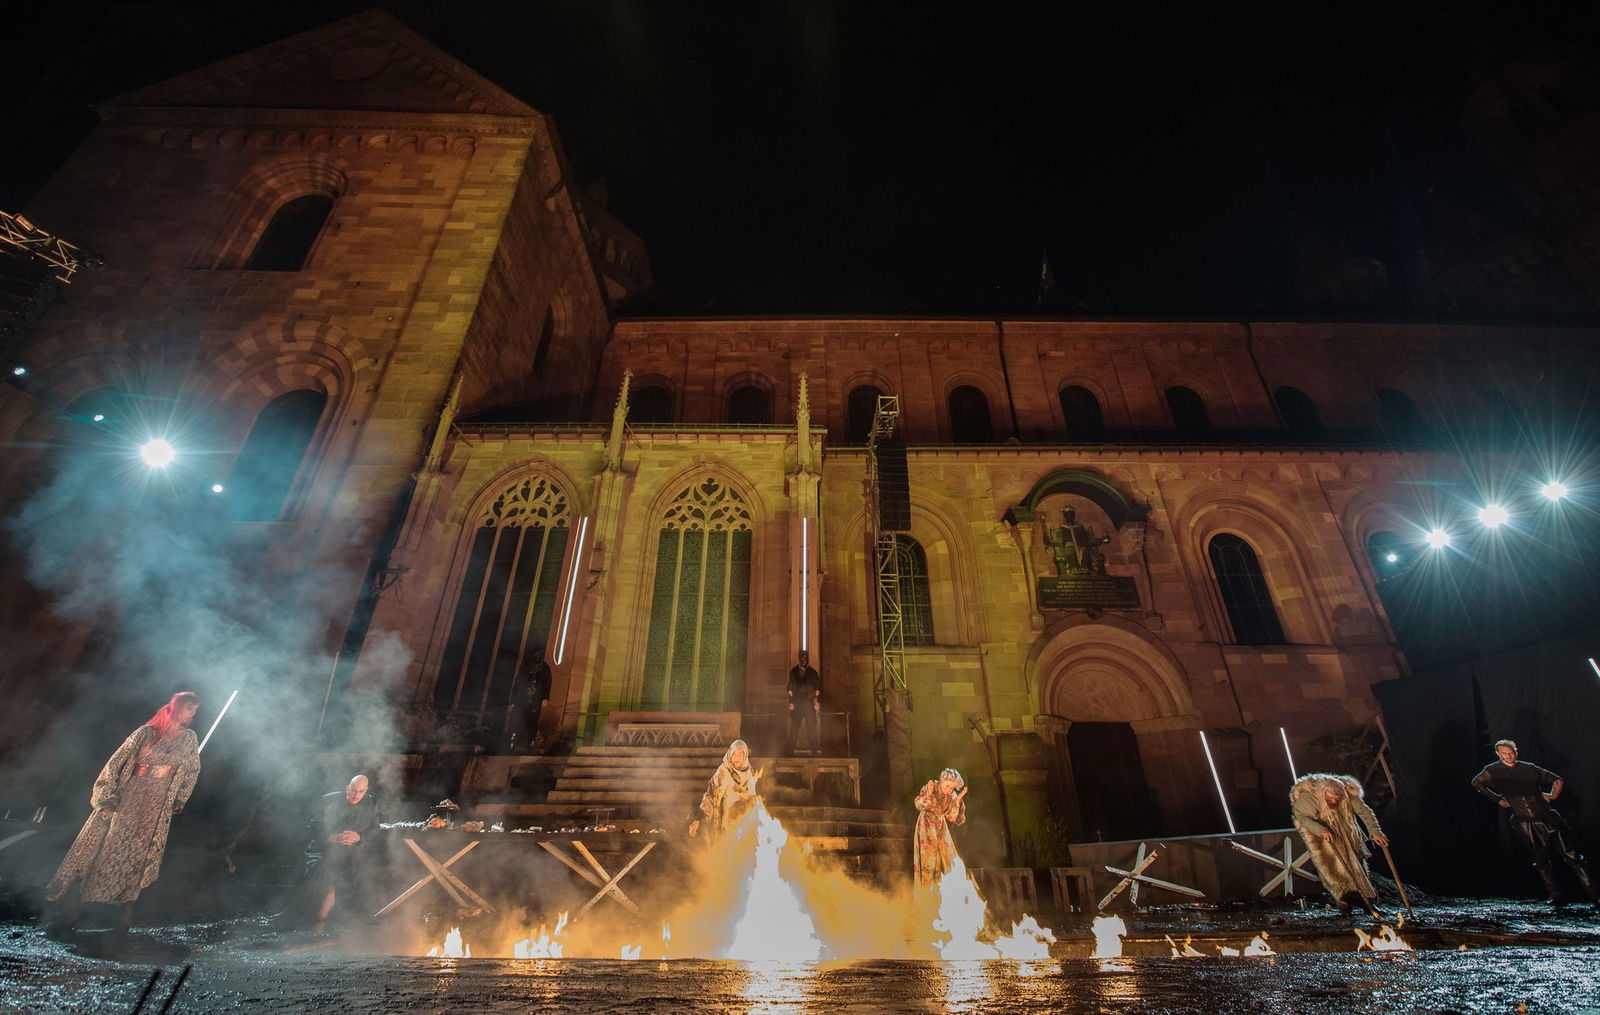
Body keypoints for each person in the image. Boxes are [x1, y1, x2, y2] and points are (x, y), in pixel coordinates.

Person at [46, 692, 202, 928]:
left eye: (195, 709)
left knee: (141, 854)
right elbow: (116, 763)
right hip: (129, 798)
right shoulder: (145, 733)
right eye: (190, 708)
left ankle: (124, 917)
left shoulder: (190, 738)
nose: (193, 713)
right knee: (107, 849)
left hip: (157, 805)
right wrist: (107, 796)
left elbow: (192, 770)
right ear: (177, 708)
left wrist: (180, 797)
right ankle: (78, 910)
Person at [1472, 739, 1598, 909]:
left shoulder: (1529, 768)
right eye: (1505, 754)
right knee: (1541, 860)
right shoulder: (1493, 771)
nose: (1509, 756)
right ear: (1498, 754)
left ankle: (1594, 896)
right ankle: (1557, 897)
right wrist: (1497, 799)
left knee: (1573, 856)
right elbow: (1476, 782)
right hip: (1525, 821)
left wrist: (1552, 795)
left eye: (1511, 753)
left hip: (1548, 817)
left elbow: (1557, 780)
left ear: (1516, 752)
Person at [1289, 773, 1390, 918]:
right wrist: (1321, 829)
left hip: (1348, 837)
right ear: (1322, 793)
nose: (1334, 801)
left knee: (1357, 869)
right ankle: (1344, 905)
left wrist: (1375, 832)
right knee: (1336, 873)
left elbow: (1364, 811)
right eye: (1330, 799)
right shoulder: (1309, 797)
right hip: (1326, 840)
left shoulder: (1347, 793)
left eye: (1337, 799)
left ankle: (1368, 905)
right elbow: (1301, 816)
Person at [307, 774, 378, 933]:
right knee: (328, 883)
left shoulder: (371, 802)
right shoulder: (328, 800)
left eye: (361, 792)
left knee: (359, 881)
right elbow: (312, 829)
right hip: (323, 851)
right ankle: (319, 923)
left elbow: (375, 829)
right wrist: (335, 838)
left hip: (352, 854)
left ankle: (348, 926)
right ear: (347, 787)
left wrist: (359, 836)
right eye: (353, 790)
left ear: (366, 791)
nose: (356, 795)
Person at [688, 739, 758, 841]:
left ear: (745, 756)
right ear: (730, 755)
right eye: (734, 754)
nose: (736, 757)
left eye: (740, 754)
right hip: (726, 821)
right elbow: (710, 796)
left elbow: (752, 798)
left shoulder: (749, 772)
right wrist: (698, 819)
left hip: (743, 820)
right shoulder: (723, 772)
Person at [913, 767, 968, 890]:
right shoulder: (931, 786)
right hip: (926, 825)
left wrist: (957, 799)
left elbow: (951, 816)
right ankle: (926, 892)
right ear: (942, 780)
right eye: (947, 786)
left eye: (952, 788)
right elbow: (919, 805)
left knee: (948, 856)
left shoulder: (952, 795)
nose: (949, 790)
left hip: (940, 825)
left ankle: (948, 890)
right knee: (928, 859)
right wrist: (929, 793)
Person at [510, 647, 552, 753]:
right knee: (518, 719)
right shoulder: (525, 667)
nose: (537, 655)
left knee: (532, 720)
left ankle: (530, 742)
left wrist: (545, 697)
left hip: (535, 699)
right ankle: (514, 741)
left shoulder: (545, 668)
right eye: (535, 653)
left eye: (539, 653)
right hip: (522, 698)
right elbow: (517, 683)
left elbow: (547, 684)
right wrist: (513, 700)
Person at [786, 651, 822, 754]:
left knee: (811, 727)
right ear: (799, 658)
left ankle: (814, 749)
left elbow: (817, 689)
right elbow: (790, 689)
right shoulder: (794, 672)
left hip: (809, 703)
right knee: (795, 727)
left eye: (805, 658)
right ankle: (790, 749)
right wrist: (791, 702)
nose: (804, 660)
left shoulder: (812, 672)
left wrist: (816, 702)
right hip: (797, 703)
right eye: (802, 658)